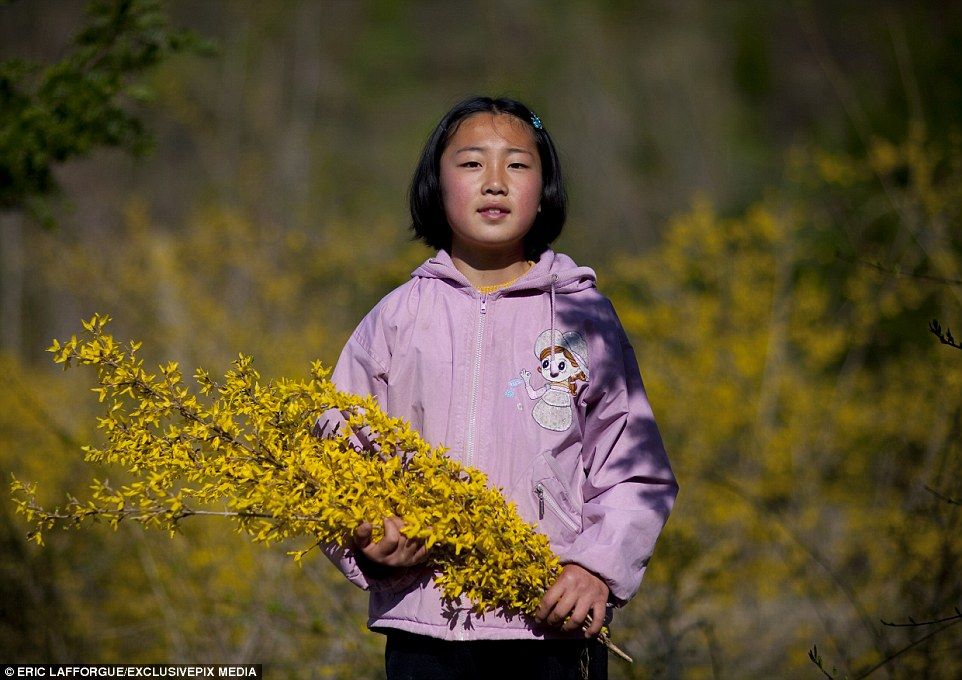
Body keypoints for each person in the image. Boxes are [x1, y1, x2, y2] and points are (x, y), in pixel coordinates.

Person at [320, 96, 678, 679]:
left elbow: (635, 470)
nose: (494, 182)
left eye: (517, 165)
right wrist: (366, 540)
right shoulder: (396, 319)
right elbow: (336, 455)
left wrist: (596, 570)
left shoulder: (584, 320)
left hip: (551, 621)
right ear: (435, 186)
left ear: (545, 190)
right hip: (424, 622)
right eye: (469, 164)